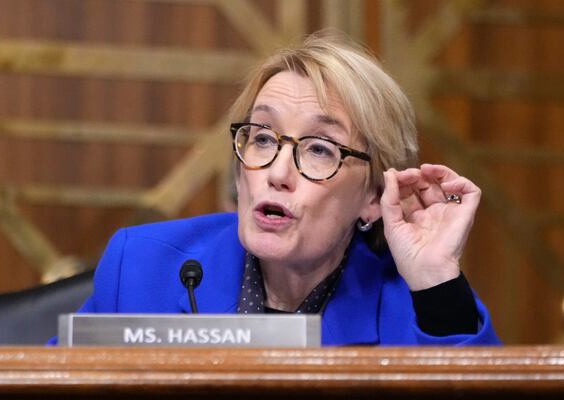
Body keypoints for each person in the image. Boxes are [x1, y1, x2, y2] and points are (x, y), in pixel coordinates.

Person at [73, 31, 500, 345]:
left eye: (318, 148)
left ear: (374, 197)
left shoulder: (417, 307)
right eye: (261, 137)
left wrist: (435, 280)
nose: (277, 172)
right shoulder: (141, 268)